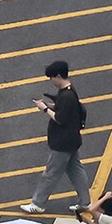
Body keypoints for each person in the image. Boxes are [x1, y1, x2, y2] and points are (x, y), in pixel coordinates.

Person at [22, 60, 90, 214]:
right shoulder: (70, 92)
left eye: (51, 77)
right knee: (76, 171)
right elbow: (65, 109)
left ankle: (38, 203)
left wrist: (45, 109)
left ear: (58, 76)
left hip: (62, 143)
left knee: (50, 174)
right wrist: (50, 105)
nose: (51, 81)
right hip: (72, 140)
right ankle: (85, 202)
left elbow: (60, 118)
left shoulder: (66, 96)